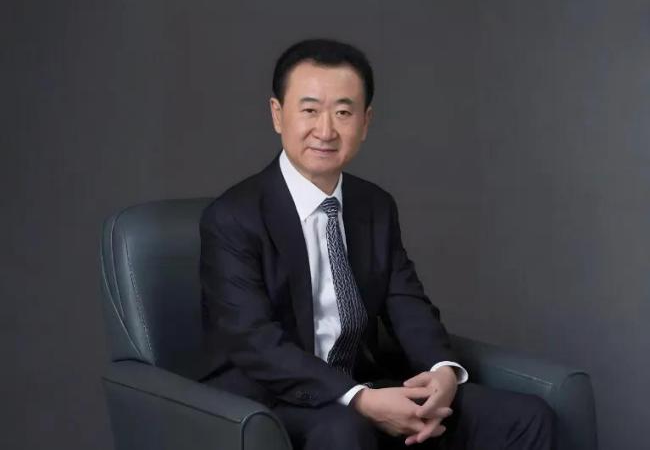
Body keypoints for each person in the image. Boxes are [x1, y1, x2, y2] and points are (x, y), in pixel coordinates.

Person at [199, 38, 556, 450]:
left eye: (343, 112)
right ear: (278, 115)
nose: (326, 130)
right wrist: (360, 400)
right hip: (272, 397)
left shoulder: (374, 206)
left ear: (365, 122)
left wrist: (441, 371)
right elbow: (254, 341)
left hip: (364, 382)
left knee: (526, 418)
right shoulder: (233, 216)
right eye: (310, 110)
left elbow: (407, 303)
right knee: (345, 430)